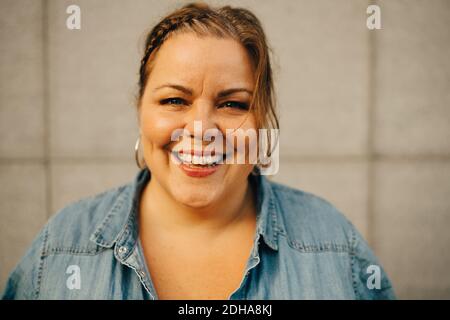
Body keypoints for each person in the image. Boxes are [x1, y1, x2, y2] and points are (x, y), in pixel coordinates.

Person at [2, 2, 395, 300]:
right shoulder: (60, 248)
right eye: (175, 100)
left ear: (260, 118)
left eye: (233, 104)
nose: (201, 130)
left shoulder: (332, 244)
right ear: (141, 108)